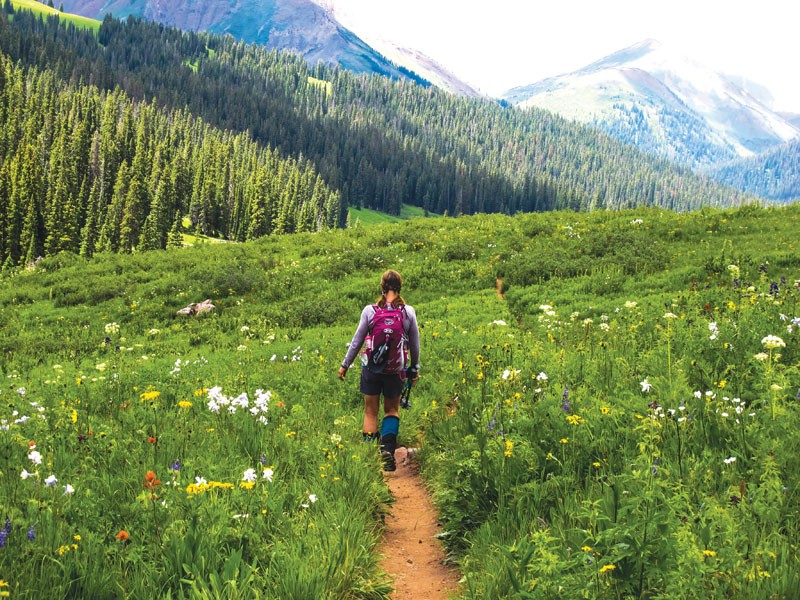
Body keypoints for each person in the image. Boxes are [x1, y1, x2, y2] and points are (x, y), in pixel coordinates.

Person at [338, 270, 420, 471]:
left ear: (381, 287)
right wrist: (413, 368)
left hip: (371, 369)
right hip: (395, 371)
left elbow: (357, 341)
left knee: (370, 412)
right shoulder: (407, 312)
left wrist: (345, 365)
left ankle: (369, 460)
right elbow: (415, 345)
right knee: (391, 410)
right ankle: (387, 449)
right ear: (400, 287)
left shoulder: (370, 311)